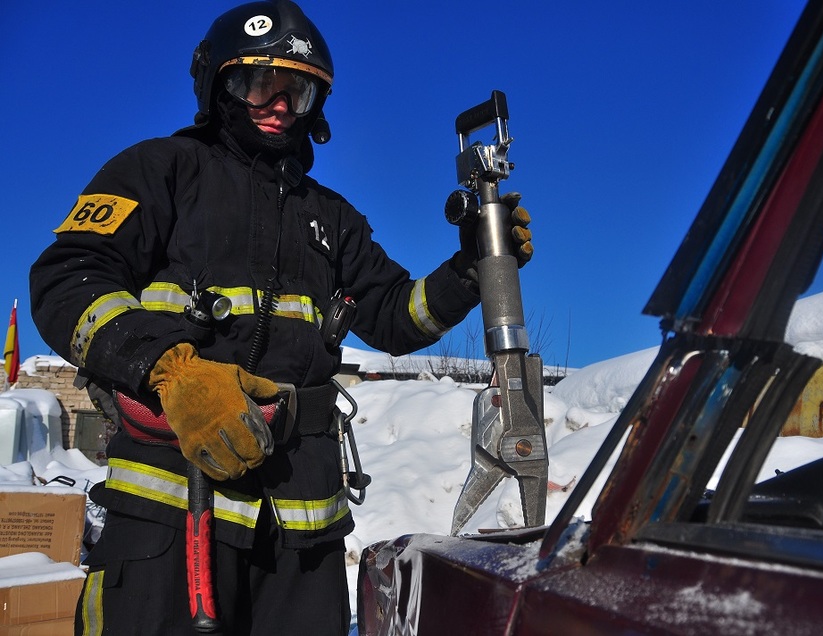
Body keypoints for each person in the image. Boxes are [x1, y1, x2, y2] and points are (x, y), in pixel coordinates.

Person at [29, 1, 532, 634]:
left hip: (301, 540)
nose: (278, 103)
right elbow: (68, 278)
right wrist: (170, 370)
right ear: (219, 85)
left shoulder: (333, 217)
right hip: (174, 513)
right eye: (258, 82)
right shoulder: (160, 170)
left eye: (298, 91)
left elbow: (395, 317)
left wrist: (468, 269)